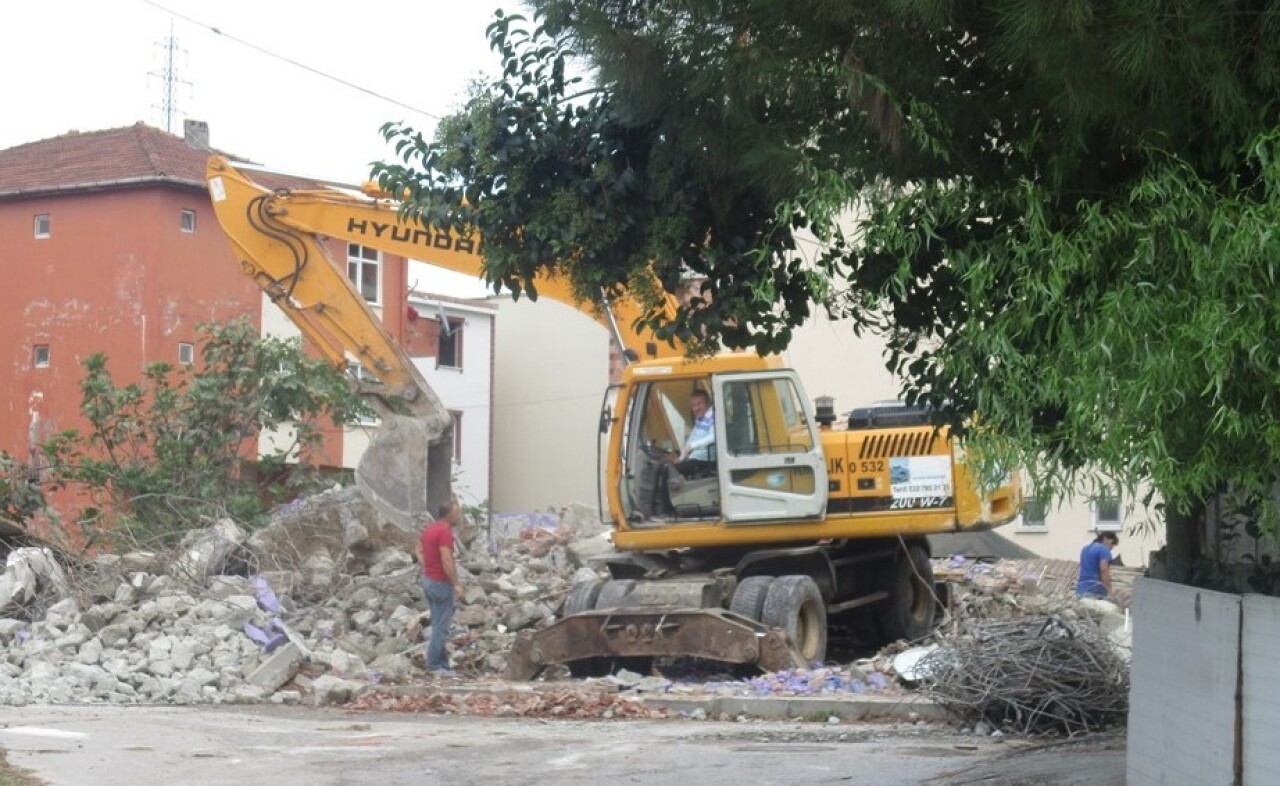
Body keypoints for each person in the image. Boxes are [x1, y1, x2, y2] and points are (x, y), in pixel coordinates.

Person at [415, 501, 464, 676]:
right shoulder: (445, 533)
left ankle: (442, 664)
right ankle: (434, 665)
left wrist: (427, 567)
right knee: (441, 627)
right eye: (457, 512)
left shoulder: (430, 530)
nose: (459, 516)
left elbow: (418, 550)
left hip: (429, 581)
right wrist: (456, 583)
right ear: (449, 514)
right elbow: (447, 560)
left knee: (438, 623)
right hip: (441, 583)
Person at [672, 389, 715, 478]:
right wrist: (681, 458)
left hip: (706, 461)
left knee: (671, 472)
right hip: (695, 458)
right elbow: (692, 438)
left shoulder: (713, 415)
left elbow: (714, 437)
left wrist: (693, 446)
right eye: (693, 405)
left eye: (699, 404)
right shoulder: (700, 418)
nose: (696, 408)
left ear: (707, 403)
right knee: (669, 468)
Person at [1077, 531, 1120, 599]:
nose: (1112, 547)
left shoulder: (1085, 549)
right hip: (1095, 590)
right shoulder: (1104, 549)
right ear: (1105, 539)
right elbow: (1104, 570)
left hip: (1081, 589)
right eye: (1112, 543)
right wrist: (1109, 591)